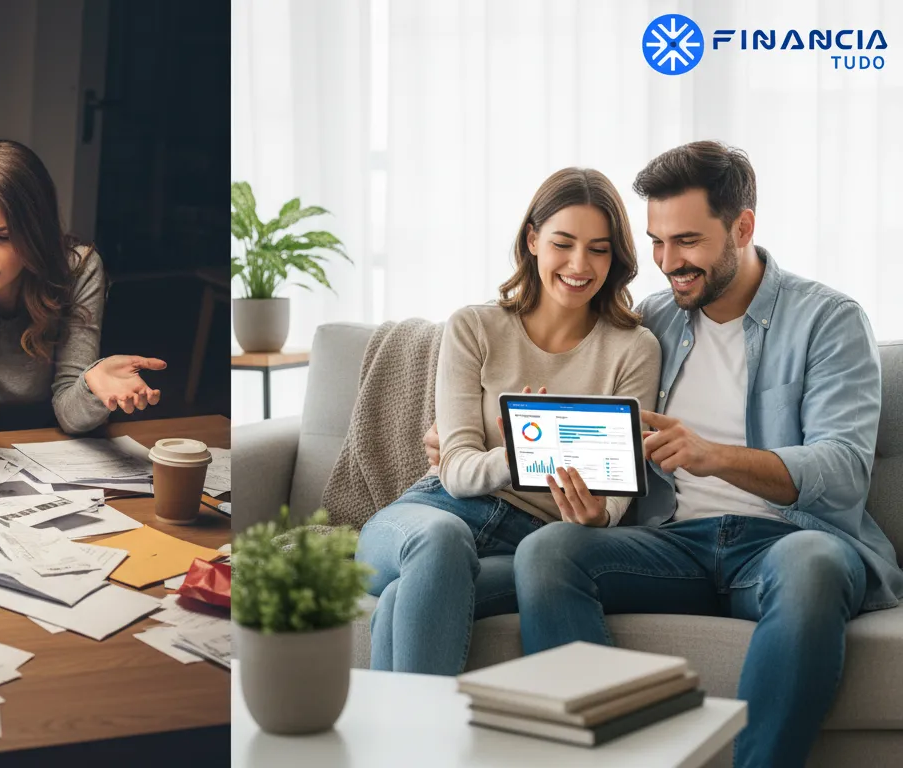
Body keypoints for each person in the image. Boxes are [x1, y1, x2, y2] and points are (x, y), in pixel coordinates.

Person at [512, 141, 903, 768]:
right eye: (658, 242)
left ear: (742, 227)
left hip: (787, 541)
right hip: (674, 544)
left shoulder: (827, 320)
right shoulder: (653, 321)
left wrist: (713, 456)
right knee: (549, 551)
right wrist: (478, 435)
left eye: (687, 241)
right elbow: (591, 407)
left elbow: (842, 470)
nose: (669, 262)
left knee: (810, 564)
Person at [358, 168, 661, 675]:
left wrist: (594, 517)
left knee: (402, 600)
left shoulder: (634, 349)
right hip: (434, 514)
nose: (579, 265)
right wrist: (518, 450)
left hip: (529, 540)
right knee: (439, 545)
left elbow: (614, 499)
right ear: (533, 239)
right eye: (563, 243)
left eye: (599, 249)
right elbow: (455, 469)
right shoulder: (474, 327)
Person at [0, 139, 164, 442]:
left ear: (35, 230)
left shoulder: (76, 269)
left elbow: (71, 417)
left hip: (55, 447)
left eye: (2, 236)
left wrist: (91, 388)